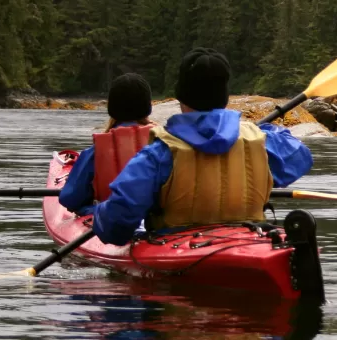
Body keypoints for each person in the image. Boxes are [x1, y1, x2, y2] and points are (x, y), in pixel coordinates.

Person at [87, 48, 313, 246]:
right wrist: (256, 136)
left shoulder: (158, 152)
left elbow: (116, 226)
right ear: (224, 97)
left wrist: (98, 214)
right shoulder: (261, 140)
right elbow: (300, 157)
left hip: (176, 244)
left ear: (181, 97)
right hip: (248, 237)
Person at [60, 73, 154, 214]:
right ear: (148, 108)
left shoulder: (95, 153)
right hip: (158, 223)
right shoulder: (165, 146)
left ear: (112, 109)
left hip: (111, 219)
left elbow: (70, 199)